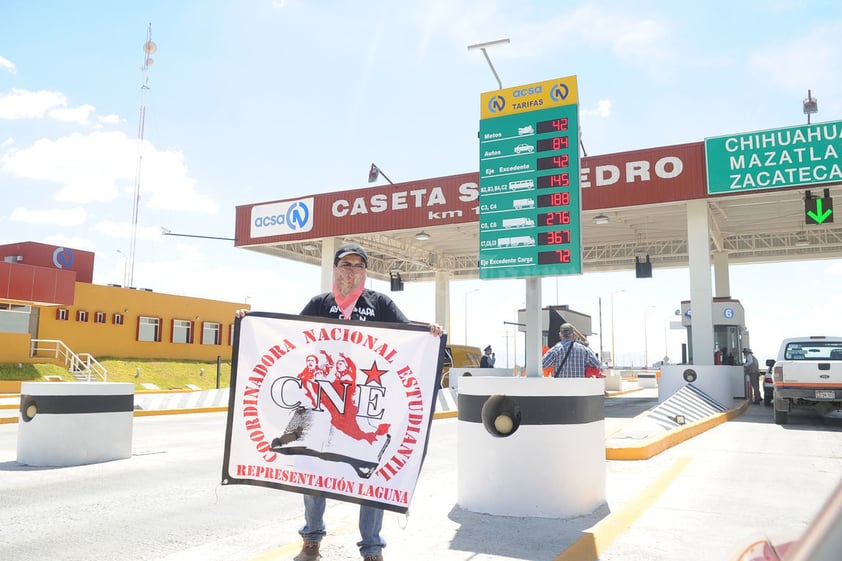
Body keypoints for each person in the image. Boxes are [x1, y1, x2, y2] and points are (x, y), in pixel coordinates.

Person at [237, 242, 442, 561]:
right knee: (313, 470)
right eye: (346, 264)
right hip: (319, 397)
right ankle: (312, 538)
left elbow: (406, 334)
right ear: (335, 269)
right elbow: (289, 335)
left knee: (371, 472)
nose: (352, 270)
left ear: (366, 271)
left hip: (364, 400)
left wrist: (428, 331)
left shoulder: (380, 303)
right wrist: (250, 322)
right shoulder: (320, 302)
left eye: (359, 265)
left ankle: (372, 547)